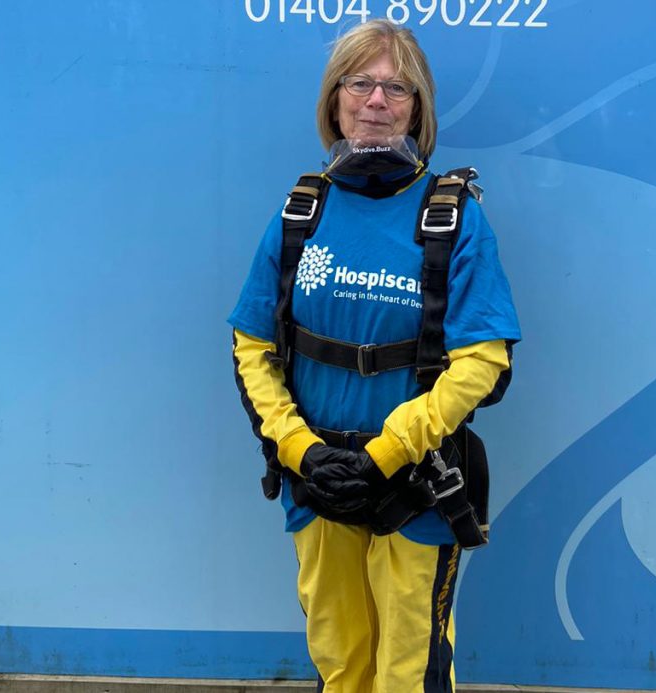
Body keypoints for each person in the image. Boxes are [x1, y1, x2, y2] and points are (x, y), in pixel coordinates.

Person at [229, 19, 520, 693]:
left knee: (406, 676)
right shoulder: (302, 212)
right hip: (319, 486)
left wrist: (387, 453)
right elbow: (253, 346)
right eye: (359, 82)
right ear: (335, 100)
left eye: (397, 87)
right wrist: (302, 452)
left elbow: (482, 361)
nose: (377, 101)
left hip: (413, 493)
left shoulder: (452, 216)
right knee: (343, 666)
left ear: (419, 108)